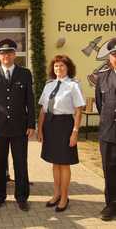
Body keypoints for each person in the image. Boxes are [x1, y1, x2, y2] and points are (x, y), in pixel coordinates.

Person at [0, 38, 35, 211]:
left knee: (20, 162)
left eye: (9, 52)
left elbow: (30, 100)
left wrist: (31, 124)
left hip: (20, 127)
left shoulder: (25, 73)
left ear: (14, 55)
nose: (6, 55)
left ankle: (21, 197)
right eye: (2, 53)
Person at [37, 55, 85, 212]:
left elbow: (78, 110)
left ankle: (64, 197)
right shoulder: (49, 85)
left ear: (68, 68)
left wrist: (75, 132)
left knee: (64, 163)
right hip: (50, 126)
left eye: (62, 66)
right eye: (56, 66)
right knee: (55, 162)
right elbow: (43, 110)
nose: (59, 69)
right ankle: (56, 193)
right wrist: (40, 129)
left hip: (65, 126)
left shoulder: (73, 85)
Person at [95, 37, 116, 221]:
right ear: (110, 56)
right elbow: (101, 106)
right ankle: (110, 205)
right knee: (109, 171)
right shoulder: (102, 77)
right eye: (115, 54)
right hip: (108, 133)